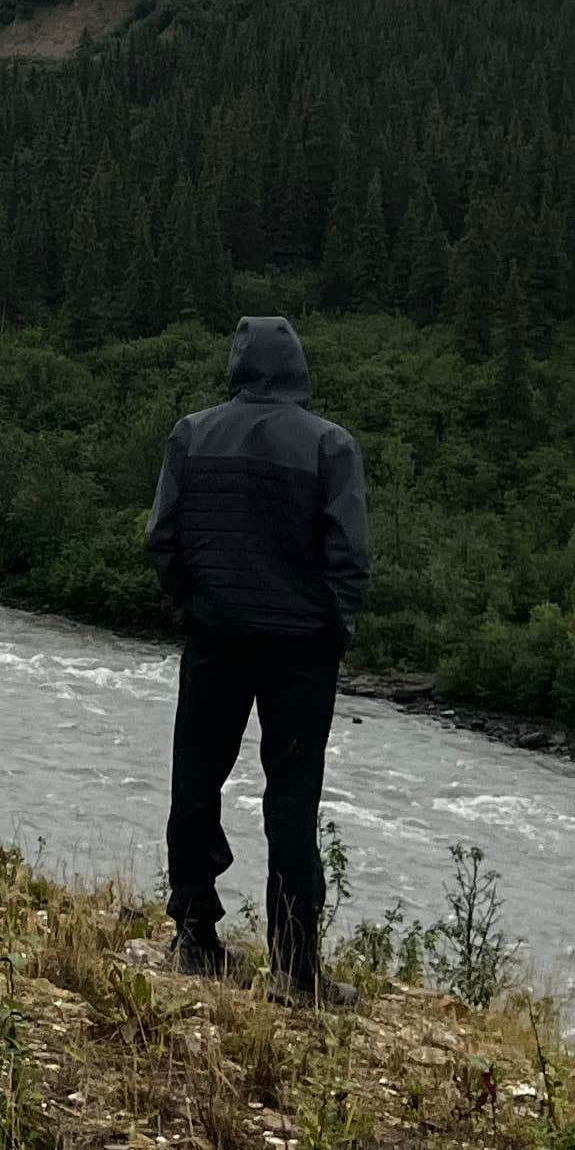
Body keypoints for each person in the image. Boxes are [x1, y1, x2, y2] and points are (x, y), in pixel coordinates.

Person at [144, 314, 370, 1004]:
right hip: (301, 651)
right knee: (292, 802)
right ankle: (296, 971)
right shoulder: (332, 445)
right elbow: (349, 556)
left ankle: (194, 938)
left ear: (239, 365)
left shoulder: (192, 432)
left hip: (215, 636)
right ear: (298, 367)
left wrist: (194, 607)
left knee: (196, 781)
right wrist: (337, 630)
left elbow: (162, 539)